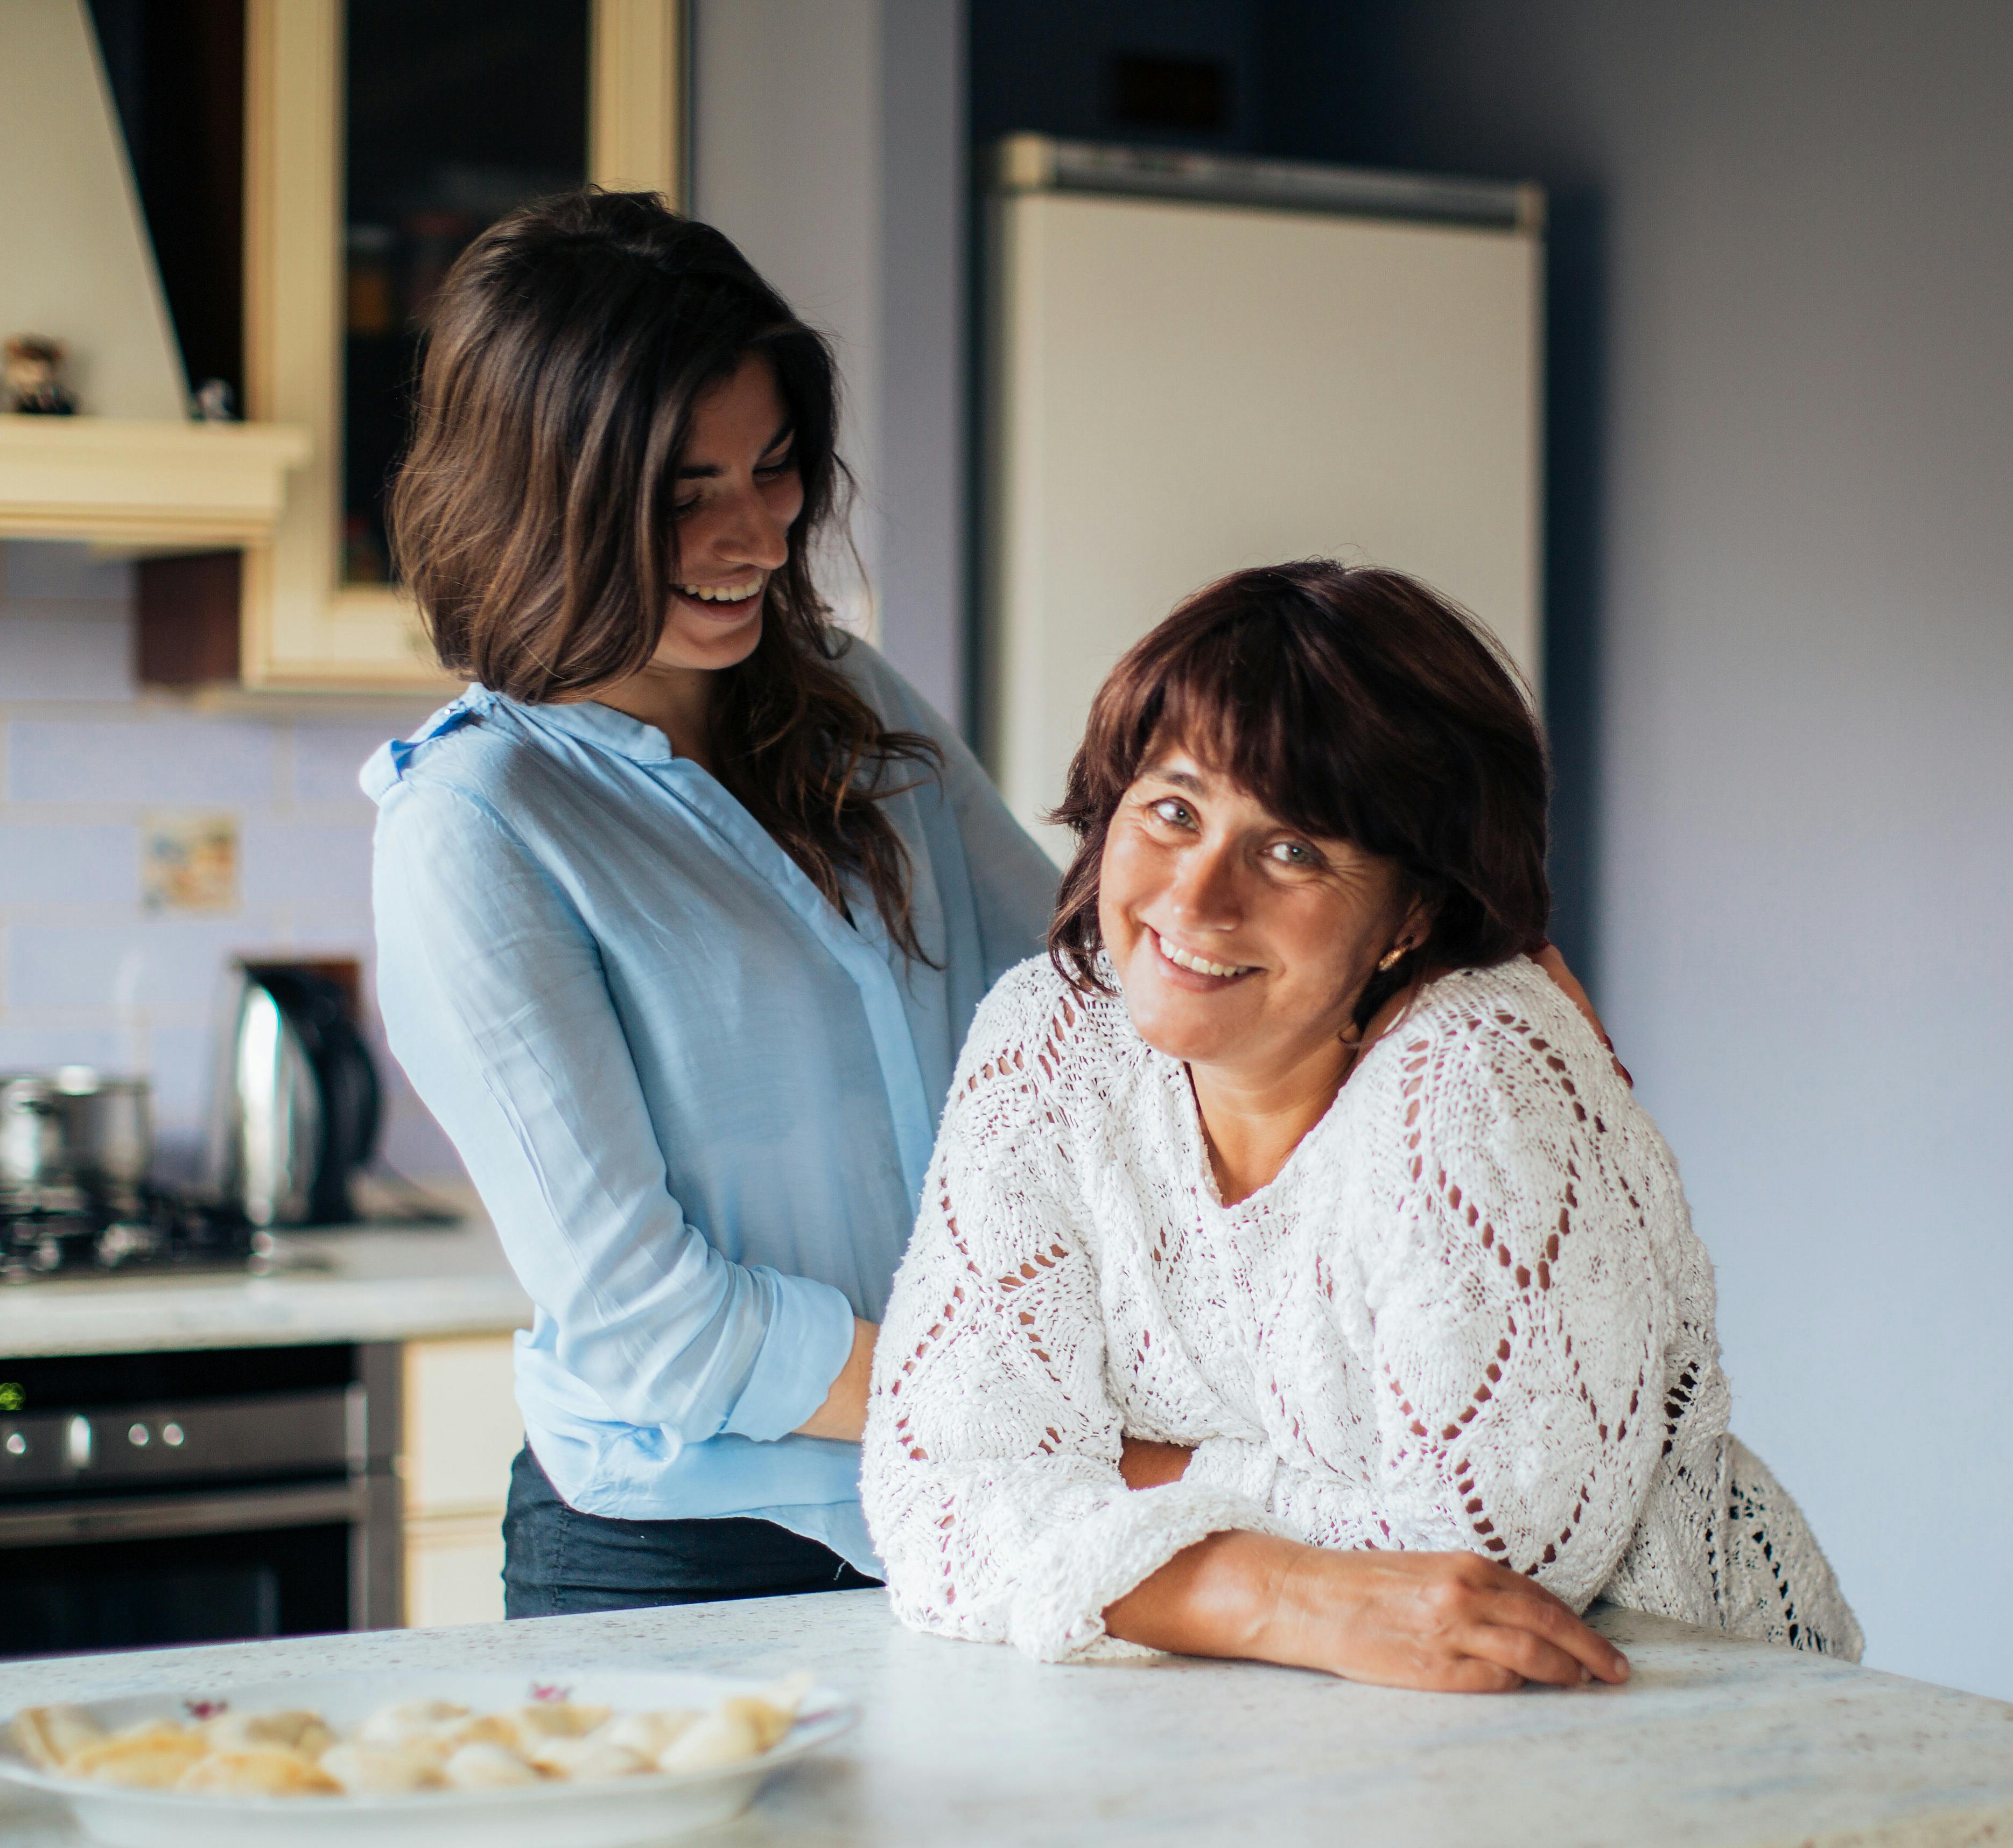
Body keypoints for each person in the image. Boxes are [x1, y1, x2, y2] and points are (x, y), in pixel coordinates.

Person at [860, 563, 1861, 1691]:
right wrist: (1278, 1593)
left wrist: (1127, 1477)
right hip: (1258, 1716)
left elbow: (1484, 1577)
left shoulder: (1480, 1072)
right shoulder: (1053, 1033)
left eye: (1292, 850)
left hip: (1672, 1706)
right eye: (1174, 811)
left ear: (1411, 914)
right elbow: (934, 1501)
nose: (1196, 899)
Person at [364, 189, 1057, 1614]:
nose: (759, 537)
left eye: (776, 468)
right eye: (687, 498)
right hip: (692, 1555)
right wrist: (1017, 1408)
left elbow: (1073, 992)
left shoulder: (845, 696)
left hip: (963, 1508)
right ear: (539, 505)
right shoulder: (478, 821)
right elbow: (646, 1326)